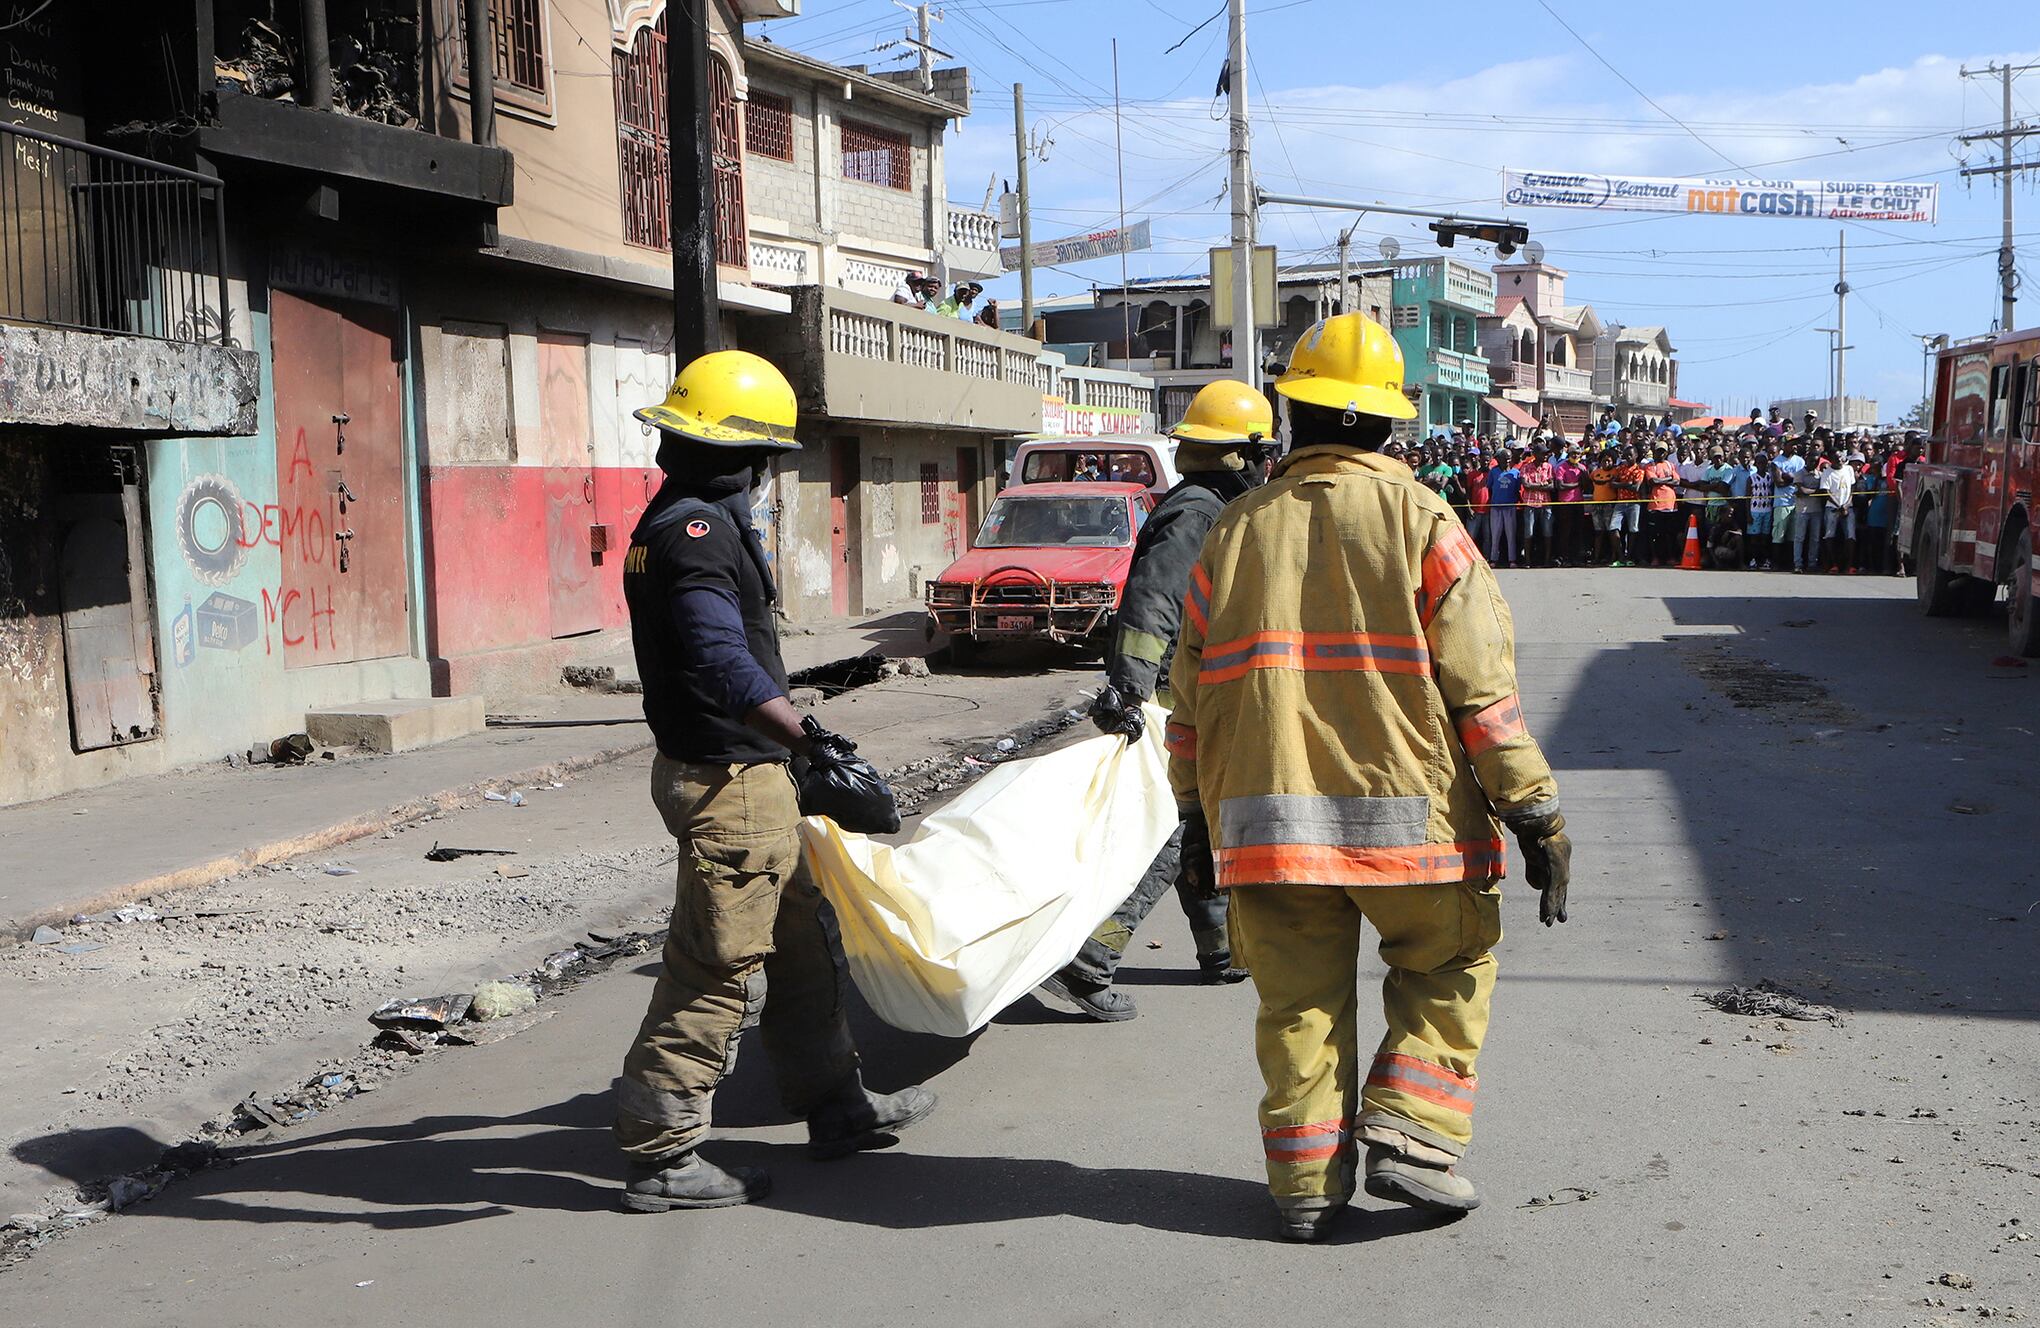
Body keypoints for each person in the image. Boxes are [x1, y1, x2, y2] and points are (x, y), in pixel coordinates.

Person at [1167, 311, 1571, 1242]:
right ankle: (1412, 1137)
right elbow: (1484, 693)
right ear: (1390, 425)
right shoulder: (1425, 519)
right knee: (1449, 966)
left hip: (1266, 833)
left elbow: (1186, 704)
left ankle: (1306, 1188)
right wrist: (1535, 811)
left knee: (1297, 1003)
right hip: (1415, 830)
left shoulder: (1231, 534)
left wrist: (1194, 823)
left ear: (1291, 411)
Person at [613, 351, 936, 1212]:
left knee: (803, 949)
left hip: (746, 774)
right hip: (732, 783)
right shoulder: (695, 535)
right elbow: (720, 658)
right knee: (715, 968)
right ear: (743, 459)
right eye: (764, 462)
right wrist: (811, 736)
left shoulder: (675, 522)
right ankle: (661, 1155)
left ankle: (837, 1107)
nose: (764, 478)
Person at [1049, 381, 1272, 1019]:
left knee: (1198, 823)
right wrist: (1133, 683)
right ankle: (1091, 959)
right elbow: (1156, 598)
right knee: (1172, 833)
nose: (1266, 467)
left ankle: (1222, 951)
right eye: (1262, 455)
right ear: (1242, 456)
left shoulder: (1204, 505)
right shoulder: (1199, 512)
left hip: (1190, 697)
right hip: (1173, 701)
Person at [1642, 445, 1681, 567]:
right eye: (1659, 451)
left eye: (1663, 452)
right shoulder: (1650, 466)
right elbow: (1653, 482)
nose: (1661, 454)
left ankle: (1670, 557)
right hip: (1656, 505)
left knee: (1669, 534)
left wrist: (1662, 480)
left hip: (1670, 505)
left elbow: (1677, 482)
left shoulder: (1670, 465)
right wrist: (1669, 479)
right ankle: (1655, 558)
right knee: (1655, 534)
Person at [1485, 446, 1523, 568]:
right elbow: (1489, 487)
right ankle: (1493, 559)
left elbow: (1517, 490)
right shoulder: (1493, 471)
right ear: (1499, 459)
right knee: (1495, 535)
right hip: (1496, 507)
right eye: (1504, 458)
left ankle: (1512, 560)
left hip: (1510, 507)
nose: (1507, 461)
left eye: (1509, 458)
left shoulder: (1516, 473)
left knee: (1510, 535)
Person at [1518, 443, 1554, 566]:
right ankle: (1527, 560)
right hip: (1530, 503)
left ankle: (1547, 560)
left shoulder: (1548, 467)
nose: (1545, 456)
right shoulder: (1526, 467)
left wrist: (1537, 486)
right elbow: (1526, 485)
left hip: (1545, 503)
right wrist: (1542, 485)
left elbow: (1551, 485)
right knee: (1528, 533)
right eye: (1543, 453)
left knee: (1547, 532)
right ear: (1535, 454)